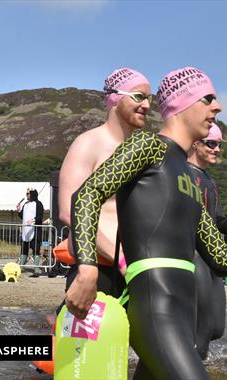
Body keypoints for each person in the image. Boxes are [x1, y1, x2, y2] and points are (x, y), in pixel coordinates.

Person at [66, 67, 227, 379]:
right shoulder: (147, 146)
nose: (217, 107)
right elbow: (87, 195)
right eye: (208, 98)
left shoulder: (191, 179)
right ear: (182, 104)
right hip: (156, 308)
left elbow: (220, 258)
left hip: (183, 315)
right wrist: (86, 269)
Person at [59, 68, 151, 299]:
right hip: (99, 268)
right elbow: (69, 212)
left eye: (150, 98)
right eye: (139, 97)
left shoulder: (143, 150)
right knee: (85, 337)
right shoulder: (89, 143)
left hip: (136, 269)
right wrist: (120, 259)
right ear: (115, 98)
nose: (147, 105)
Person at [187, 122, 227, 359]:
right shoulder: (181, 173)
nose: (217, 150)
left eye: (219, 145)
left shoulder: (209, 181)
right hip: (193, 256)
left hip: (213, 259)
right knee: (198, 331)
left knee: (215, 327)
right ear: (196, 143)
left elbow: (218, 219)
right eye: (211, 144)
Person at [17, 188, 44, 277]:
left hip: (35, 231)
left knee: (36, 249)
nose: (27, 195)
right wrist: (19, 210)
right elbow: (23, 216)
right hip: (26, 231)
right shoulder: (26, 204)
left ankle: (36, 269)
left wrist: (33, 220)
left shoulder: (38, 204)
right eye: (26, 193)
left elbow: (40, 216)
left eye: (28, 194)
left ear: (32, 194)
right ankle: (20, 267)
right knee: (24, 249)